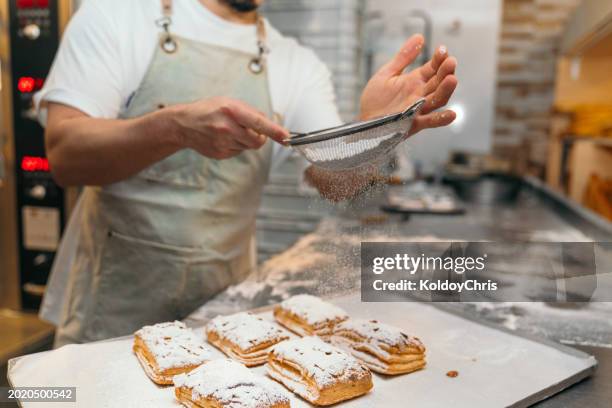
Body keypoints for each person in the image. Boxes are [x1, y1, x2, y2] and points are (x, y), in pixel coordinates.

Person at [36, 0, 458, 346]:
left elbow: (335, 184)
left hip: (219, 315)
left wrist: (376, 134)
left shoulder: (297, 64)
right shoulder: (117, 15)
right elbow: (66, 158)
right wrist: (173, 128)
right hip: (111, 310)